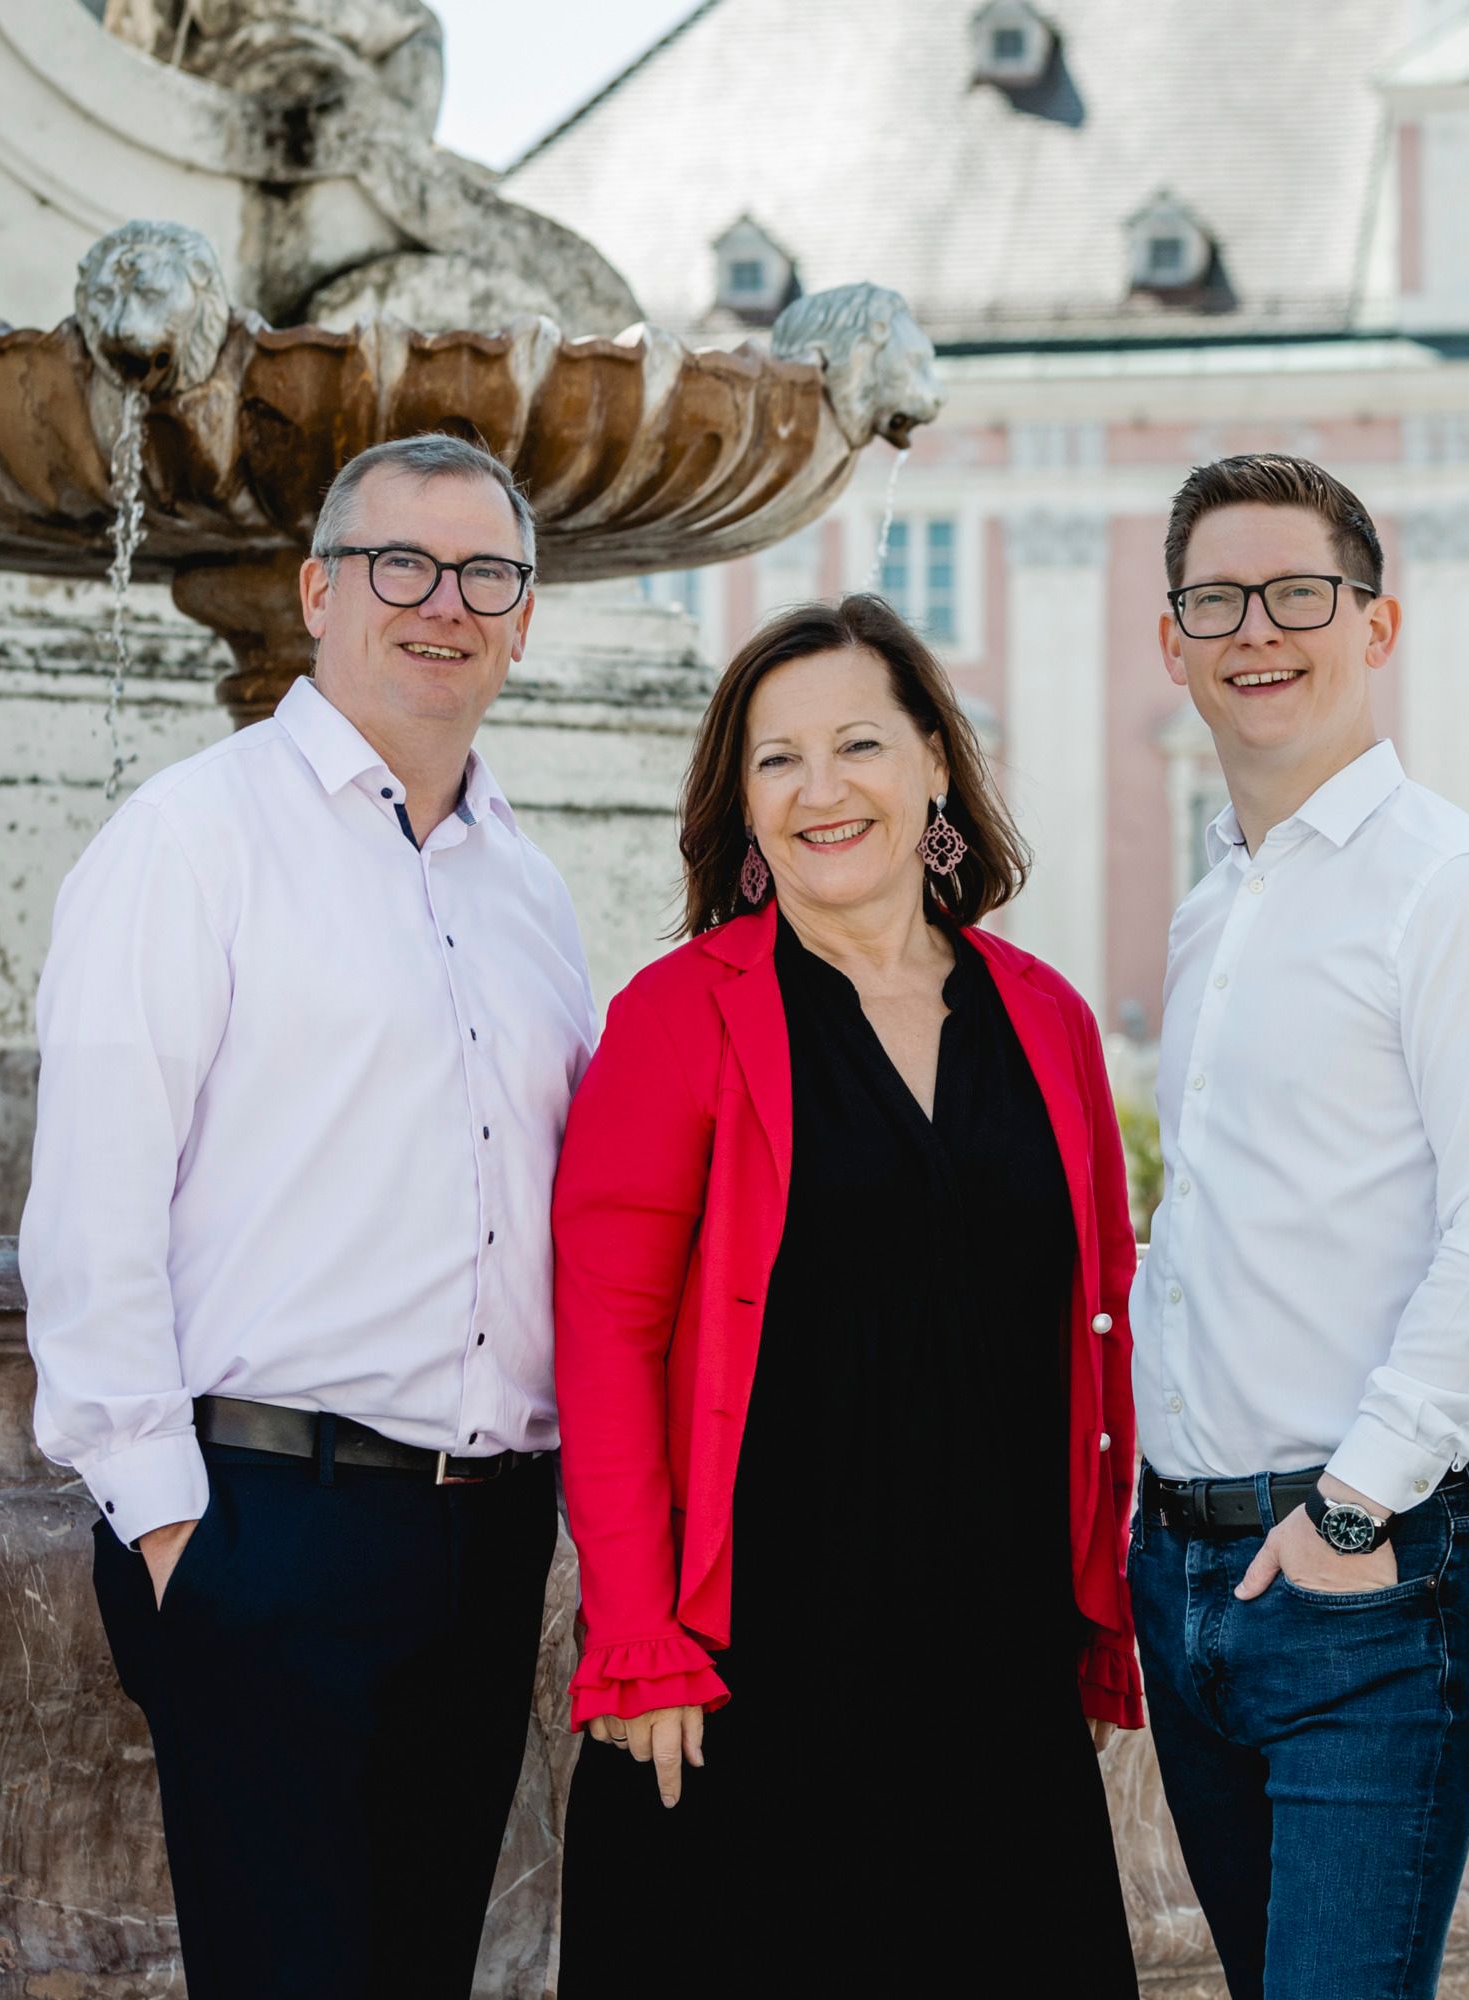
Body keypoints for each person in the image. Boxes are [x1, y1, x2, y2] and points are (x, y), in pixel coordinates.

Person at [22, 434, 594, 1999]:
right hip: (267, 1520)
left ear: (525, 619)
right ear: (318, 591)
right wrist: (164, 1524)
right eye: (401, 564)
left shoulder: (529, 893)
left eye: (487, 575)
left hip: (486, 1536)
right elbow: (90, 1201)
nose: (444, 603)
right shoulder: (192, 839)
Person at [550, 595, 1142, 1992]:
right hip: (752, 1673)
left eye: (860, 744)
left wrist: (1097, 1611)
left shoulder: (1046, 1017)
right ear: (740, 804)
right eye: (777, 760)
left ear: (936, 761)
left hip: (996, 1669)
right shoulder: (678, 1015)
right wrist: (639, 1638)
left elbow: (1098, 1313)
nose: (823, 791)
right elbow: (608, 1337)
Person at [1131, 455, 1469, 1999]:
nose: (1260, 629)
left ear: (1375, 626)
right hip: (1187, 1573)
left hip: (1367, 1580)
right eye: (1217, 599)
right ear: (1171, 641)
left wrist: (1344, 1516)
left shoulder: (1450, 887)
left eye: (1300, 594)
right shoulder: (1217, 907)